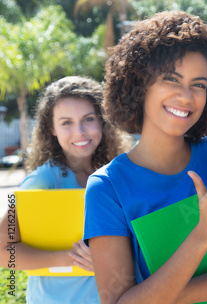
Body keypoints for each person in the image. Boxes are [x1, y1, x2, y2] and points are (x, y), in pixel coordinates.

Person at [83, 11, 207, 304]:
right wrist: (202, 235)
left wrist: (167, 296)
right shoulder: (107, 187)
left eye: (199, 84)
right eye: (171, 79)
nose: (186, 96)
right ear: (140, 84)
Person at [0, 75, 131, 303]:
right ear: (51, 127)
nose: (79, 132)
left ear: (102, 121)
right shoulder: (41, 182)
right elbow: (3, 251)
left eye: (88, 119)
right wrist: (71, 259)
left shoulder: (116, 174)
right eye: (66, 122)